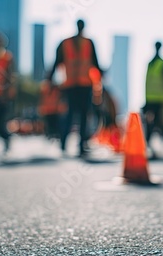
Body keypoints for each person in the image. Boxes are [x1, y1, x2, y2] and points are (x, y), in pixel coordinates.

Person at [45, 19, 103, 157]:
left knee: (76, 115)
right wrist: (50, 79)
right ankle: (69, 143)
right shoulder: (70, 43)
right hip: (73, 85)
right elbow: (56, 62)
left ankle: (77, 144)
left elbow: (95, 62)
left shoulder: (85, 43)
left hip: (81, 84)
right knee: (74, 114)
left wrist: (50, 78)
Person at [144, 41, 163, 155]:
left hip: (159, 98)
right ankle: (149, 142)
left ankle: (157, 142)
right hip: (151, 98)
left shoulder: (161, 63)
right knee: (151, 122)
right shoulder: (151, 63)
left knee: (157, 121)